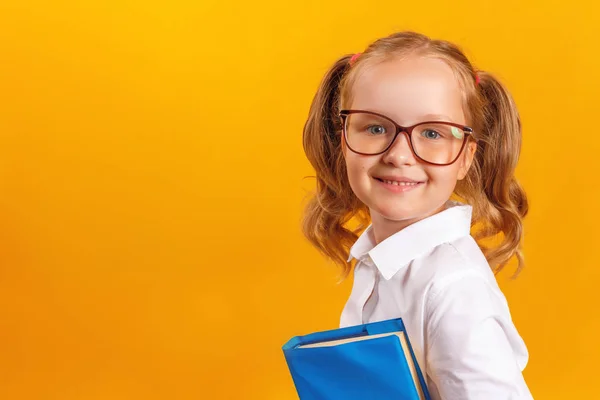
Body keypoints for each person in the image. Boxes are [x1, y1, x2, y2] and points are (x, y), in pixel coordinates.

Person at [301, 31, 533, 399]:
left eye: (432, 133)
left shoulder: (452, 286)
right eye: (375, 128)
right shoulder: (381, 261)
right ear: (343, 138)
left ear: (466, 157)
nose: (399, 154)